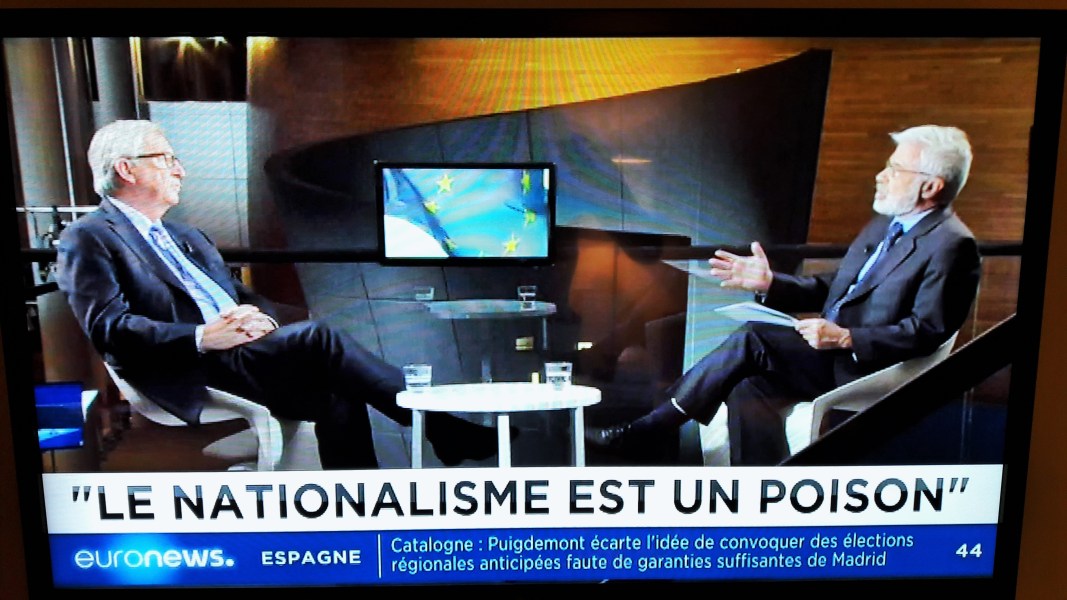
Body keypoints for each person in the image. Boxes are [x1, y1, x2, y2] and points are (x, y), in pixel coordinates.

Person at [56, 119, 499, 470]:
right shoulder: (89, 236)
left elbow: (240, 294)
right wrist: (202, 337)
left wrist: (261, 318)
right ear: (126, 169)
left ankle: (359, 496)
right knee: (320, 336)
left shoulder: (186, 236)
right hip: (192, 362)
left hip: (246, 352)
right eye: (167, 159)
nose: (180, 170)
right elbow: (108, 328)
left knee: (338, 389)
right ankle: (441, 427)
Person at [586, 124, 982, 465]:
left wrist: (846, 337)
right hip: (825, 354)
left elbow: (927, 331)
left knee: (753, 338)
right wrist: (769, 284)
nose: (881, 175)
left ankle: (651, 428)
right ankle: (764, 488)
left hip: (864, 365)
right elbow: (836, 287)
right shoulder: (886, 226)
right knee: (747, 384)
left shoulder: (952, 245)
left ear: (931, 185)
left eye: (894, 169)